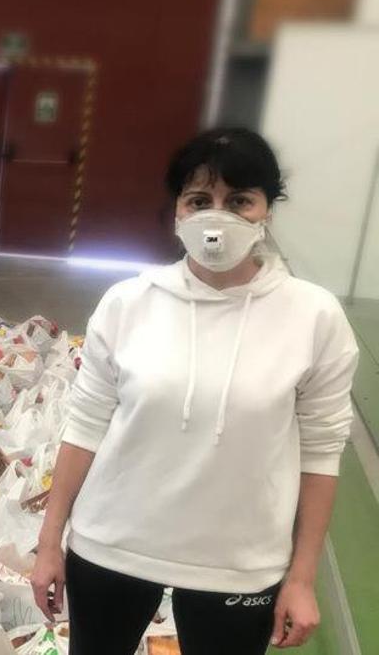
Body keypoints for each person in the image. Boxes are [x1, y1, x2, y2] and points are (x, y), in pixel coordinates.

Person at [30, 128, 358, 654]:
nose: (218, 216)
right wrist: (49, 544)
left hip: (240, 565)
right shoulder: (126, 303)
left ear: (267, 210)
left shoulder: (314, 317)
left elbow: (320, 454)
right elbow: (86, 425)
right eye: (200, 200)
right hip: (111, 546)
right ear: (178, 211)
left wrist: (300, 578)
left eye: (240, 201)